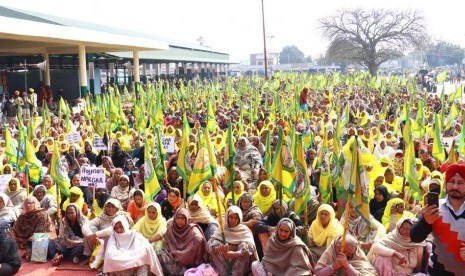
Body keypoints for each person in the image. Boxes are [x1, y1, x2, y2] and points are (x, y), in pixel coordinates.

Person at [410, 163, 465, 275]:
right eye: (451, 182)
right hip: (436, 271)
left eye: (460, 183)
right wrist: (425, 222)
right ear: (445, 184)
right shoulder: (435, 208)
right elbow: (414, 237)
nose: (455, 187)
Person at [209, 205, 258, 276]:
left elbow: (250, 247)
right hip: (223, 261)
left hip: (239, 264)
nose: (233, 220)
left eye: (236, 218)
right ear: (227, 217)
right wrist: (219, 249)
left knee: (244, 246)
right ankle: (223, 273)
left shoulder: (244, 230)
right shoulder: (222, 229)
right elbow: (209, 245)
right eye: (231, 217)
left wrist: (235, 254)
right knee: (215, 243)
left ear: (239, 218)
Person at [157, 208, 208, 275]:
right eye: (178, 218)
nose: (180, 221)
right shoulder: (171, 227)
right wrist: (174, 254)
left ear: (187, 219)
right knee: (159, 253)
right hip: (173, 258)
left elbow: (199, 240)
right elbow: (167, 244)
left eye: (182, 218)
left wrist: (180, 256)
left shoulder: (193, 231)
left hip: (188, 263)